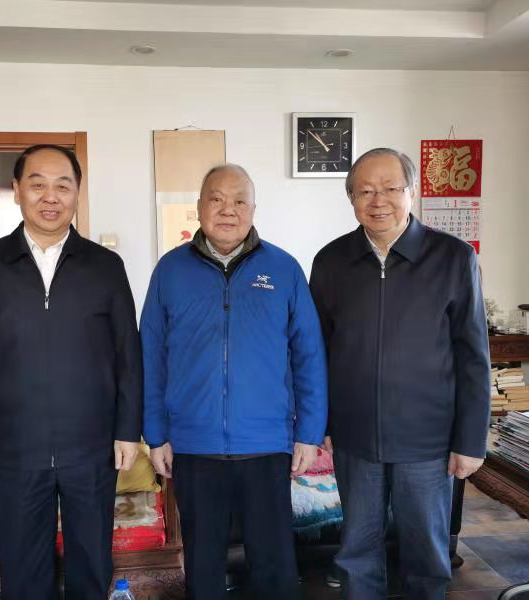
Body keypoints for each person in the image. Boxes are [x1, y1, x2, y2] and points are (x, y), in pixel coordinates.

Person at [0, 145, 142, 600]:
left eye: (63, 186)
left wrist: (127, 430)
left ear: (77, 193)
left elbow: (128, 356)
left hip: (91, 445)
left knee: (92, 564)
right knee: (22, 571)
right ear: (17, 190)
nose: (50, 197)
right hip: (13, 447)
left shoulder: (105, 266)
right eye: (38, 184)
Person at [309, 148, 491, 599]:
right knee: (356, 553)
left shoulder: (454, 257)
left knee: (426, 555)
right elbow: (317, 352)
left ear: (412, 192)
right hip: (355, 438)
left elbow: (473, 356)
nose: (379, 201)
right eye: (365, 191)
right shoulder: (331, 261)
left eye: (391, 188)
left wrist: (471, 440)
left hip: (428, 441)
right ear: (351, 198)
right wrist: (321, 424)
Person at [141, 164, 328, 600]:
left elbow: (309, 355)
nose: (228, 210)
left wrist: (309, 433)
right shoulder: (170, 271)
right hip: (194, 446)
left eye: (239, 200)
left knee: (274, 566)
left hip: (266, 445)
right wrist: (156, 433)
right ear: (199, 207)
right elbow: (150, 356)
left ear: (254, 209)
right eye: (217, 199)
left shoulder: (283, 269)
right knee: (203, 566)